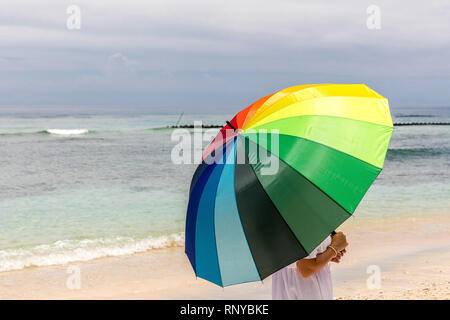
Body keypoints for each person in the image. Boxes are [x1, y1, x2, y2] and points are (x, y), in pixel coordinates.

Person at [272, 231, 348, 300]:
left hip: (293, 283)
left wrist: (325, 254)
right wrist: (334, 248)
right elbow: (306, 268)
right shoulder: (299, 221)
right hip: (304, 287)